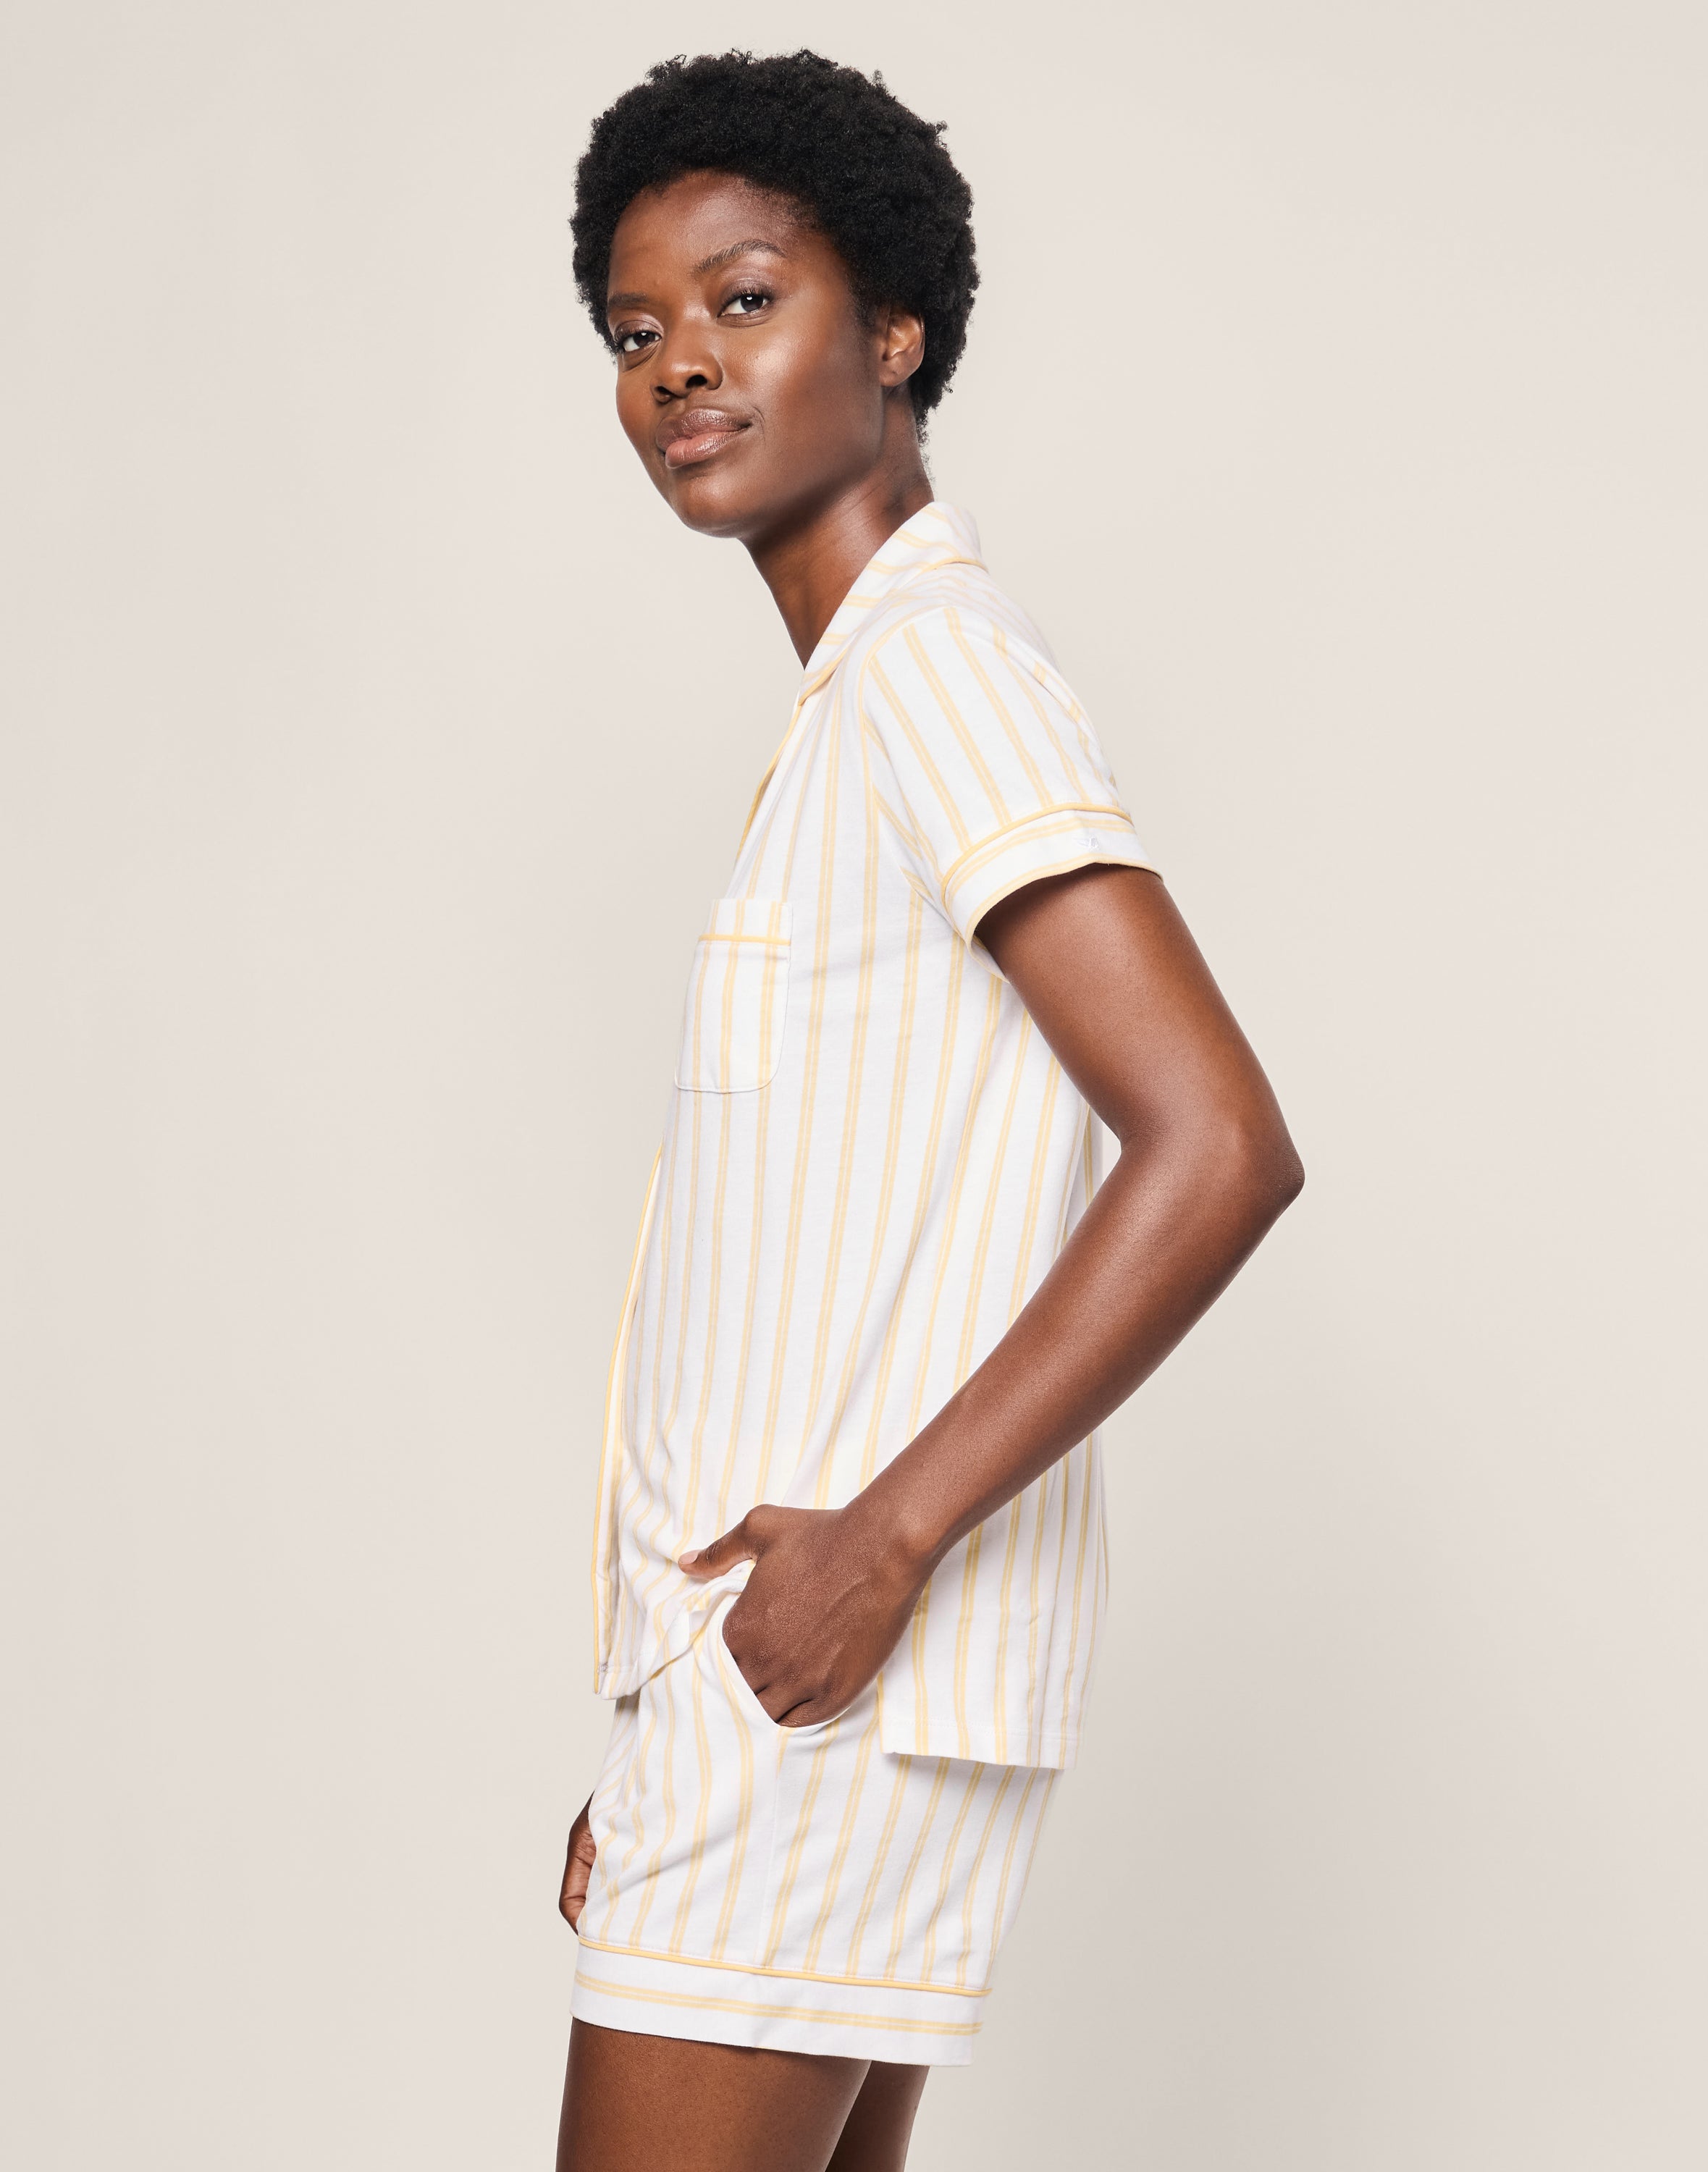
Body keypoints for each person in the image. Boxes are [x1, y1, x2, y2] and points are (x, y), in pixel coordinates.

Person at [554, 50, 1303, 2172]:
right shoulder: (863, 700)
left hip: (837, 1685)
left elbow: (1218, 1140)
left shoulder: (933, 671)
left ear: (894, 334)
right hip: (796, 1694)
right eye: (637, 331)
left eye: (745, 299)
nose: (681, 364)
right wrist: (659, 1712)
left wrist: (876, 1551)